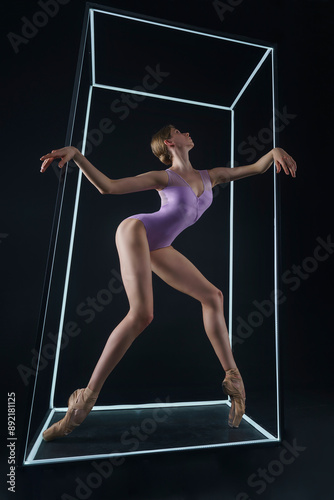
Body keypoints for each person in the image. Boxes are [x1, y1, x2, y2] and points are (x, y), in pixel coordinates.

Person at [39, 124, 297, 440]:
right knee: (142, 315)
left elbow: (257, 167)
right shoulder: (165, 177)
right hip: (136, 231)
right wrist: (77, 155)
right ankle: (83, 402)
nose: (188, 132)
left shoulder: (210, 175)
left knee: (213, 296)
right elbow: (108, 187)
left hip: (160, 245)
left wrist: (274, 152)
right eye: (179, 130)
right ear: (169, 142)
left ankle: (234, 379)